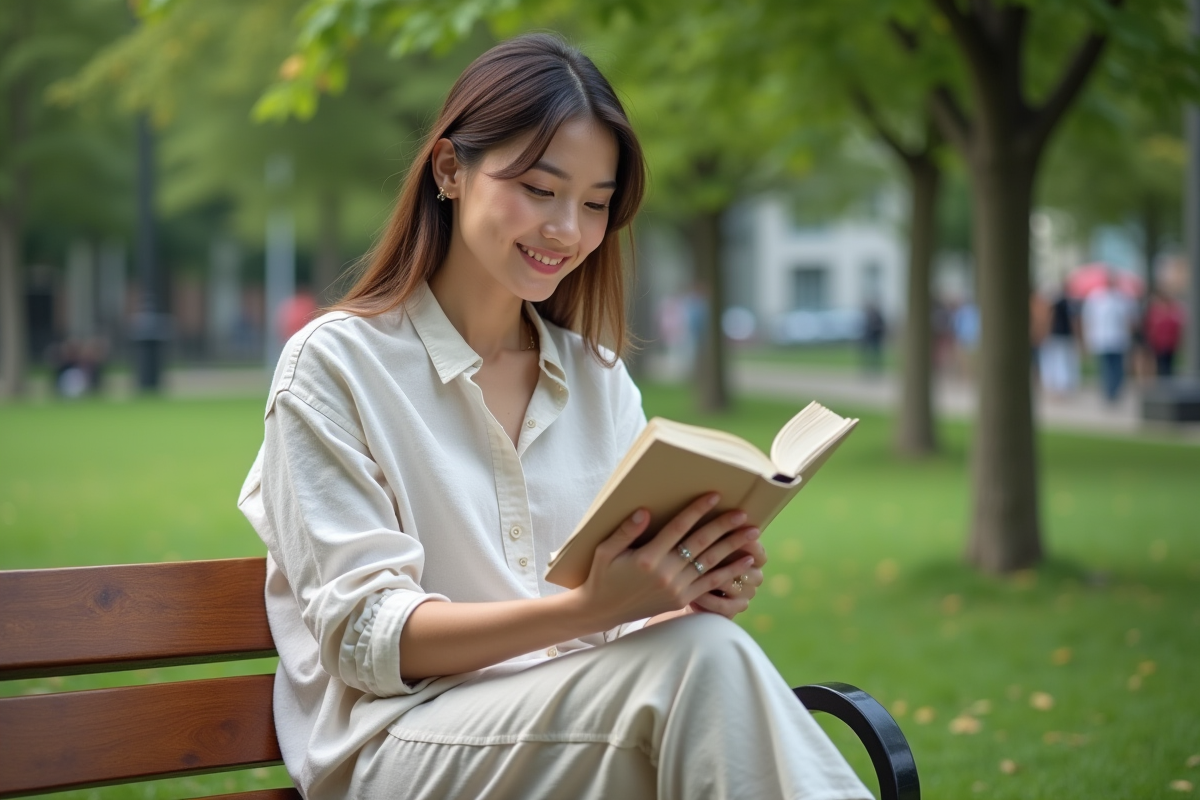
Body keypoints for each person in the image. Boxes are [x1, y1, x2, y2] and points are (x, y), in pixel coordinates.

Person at [237, 35, 871, 800]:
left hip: (570, 730)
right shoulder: (335, 367)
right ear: (449, 171)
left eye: (596, 204)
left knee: (704, 643)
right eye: (540, 189)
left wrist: (680, 586)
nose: (568, 230)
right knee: (707, 661)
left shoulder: (597, 381)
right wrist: (588, 609)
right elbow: (366, 640)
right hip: (397, 746)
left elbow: (624, 636)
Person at [1081, 271, 1137, 404]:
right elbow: (1088, 318)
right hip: (1102, 338)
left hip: (1119, 338)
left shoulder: (1123, 298)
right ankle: (1108, 392)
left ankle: (1115, 390)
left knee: (1118, 367)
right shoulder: (1095, 297)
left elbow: (1131, 319)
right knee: (1106, 367)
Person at [1039, 282, 1080, 396]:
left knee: (1060, 360)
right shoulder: (1069, 303)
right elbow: (1073, 321)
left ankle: (1062, 385)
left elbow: (1051, 319)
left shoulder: (1058, 303)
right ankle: (1063, 385)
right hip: (1063, 335)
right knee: (1064, 360)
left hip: (1058, 335)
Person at [1143, 288, 1185, 378]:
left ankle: (1167, 382)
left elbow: (1177, 328)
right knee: (1160, 365)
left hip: (1169, 343)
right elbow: (1150, 328)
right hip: (1158, 344)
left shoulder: (1173, 312)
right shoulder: (1156, 312)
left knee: (1168, 365)